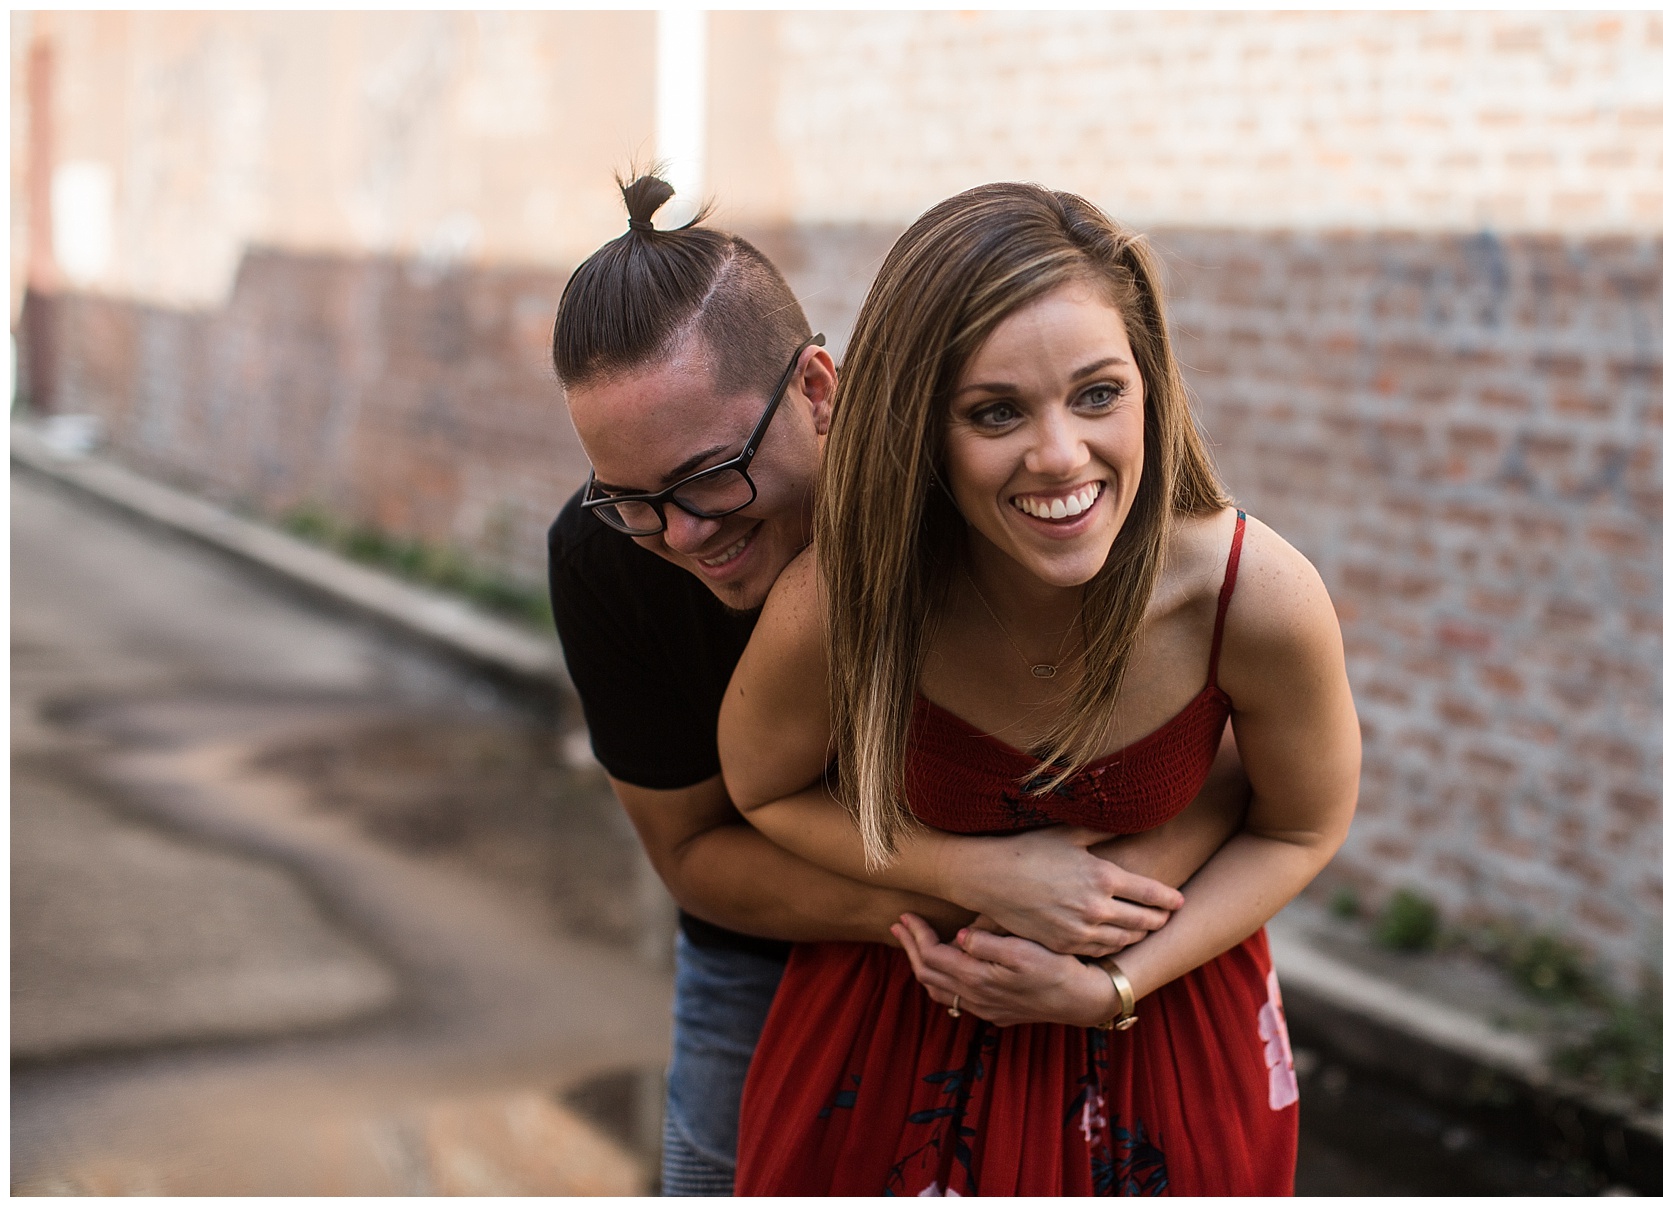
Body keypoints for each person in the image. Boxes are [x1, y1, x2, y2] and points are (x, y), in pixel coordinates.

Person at [546, 174, 1253, 1194]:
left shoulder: (976, 483)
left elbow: (1218, 752)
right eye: (633, 498)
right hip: (781, 944)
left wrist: (1102, 931)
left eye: (710, 476)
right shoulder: (606, 557)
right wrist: (973, 894)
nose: (683, 533)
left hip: (1061, 947)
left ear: (819, 389)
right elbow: (695, 851)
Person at [719, 182, 1361, 1194]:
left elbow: (1300, 826)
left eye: (1099, 394)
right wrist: (969, 874)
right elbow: (764, 790)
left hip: (1171, 1049)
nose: (1061, 456)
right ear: (919, 425)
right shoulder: (847, 598)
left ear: (1150, 383)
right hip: (889, 1059)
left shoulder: (1254, 595)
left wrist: (1109, 984)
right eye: (995, 411)